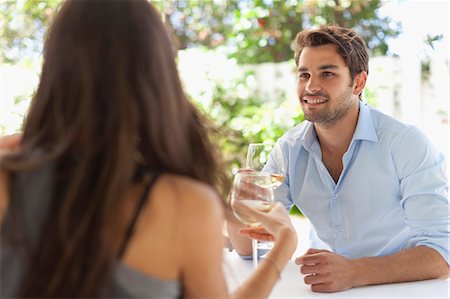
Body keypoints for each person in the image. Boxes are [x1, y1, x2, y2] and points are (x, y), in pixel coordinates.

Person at [0, 0, 298, 298]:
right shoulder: (184, 205)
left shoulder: (8, 172)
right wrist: (283, 244)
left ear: (54, 66)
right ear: (160, 75)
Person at [227, 25, 449, 293]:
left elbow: (442, 254)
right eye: (304, 74)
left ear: (358, 82)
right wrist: (238, 207)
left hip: (399, 289)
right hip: (322, 288)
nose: (311, 86)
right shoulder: (288, 149)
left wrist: (355, 271)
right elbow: (249, 249)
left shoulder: (405, 143)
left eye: (327, 73)